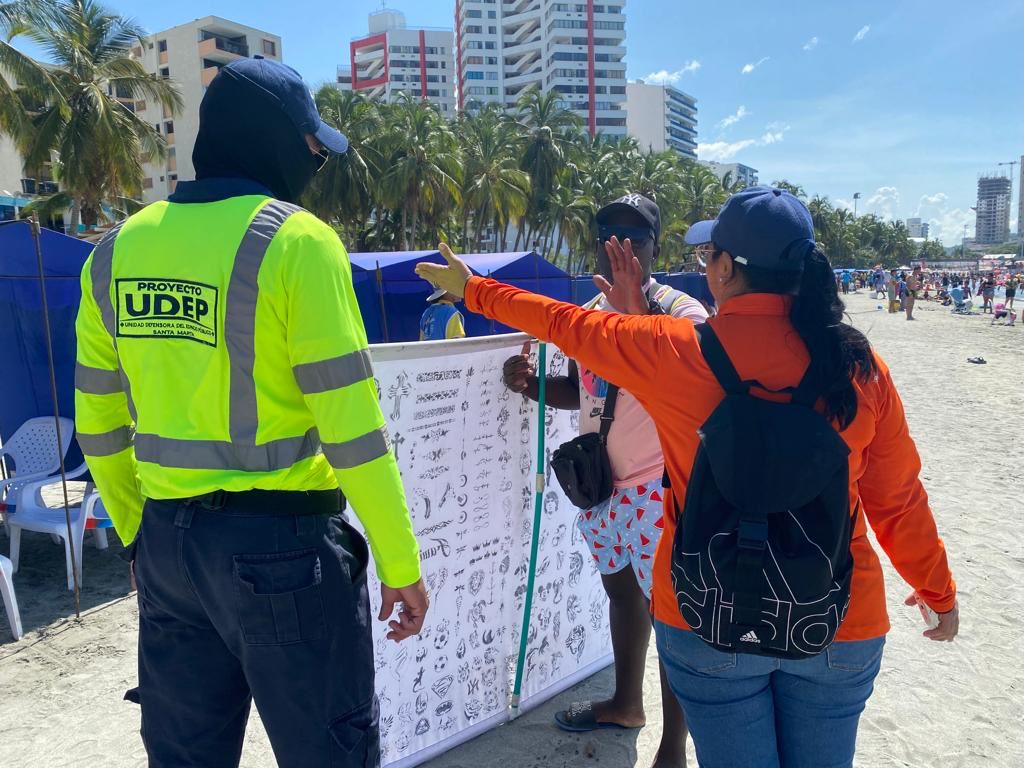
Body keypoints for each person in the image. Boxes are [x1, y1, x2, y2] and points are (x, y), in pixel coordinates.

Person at [417, 185, 959, 768]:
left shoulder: (673, 349)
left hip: (707, 616)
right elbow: (897, 500)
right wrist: (937, 592)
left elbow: (559, 322)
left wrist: (472, 288)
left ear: (724, 268)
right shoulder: (859, 365)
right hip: (837, 620)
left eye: (709, 255)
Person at [75, 58, 428, 768]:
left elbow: (99, 425)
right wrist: (400, 561)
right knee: (329, 751)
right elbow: (352, 431)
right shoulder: (298, 242)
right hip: (284, 553)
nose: (319, 160)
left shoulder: (114, 252)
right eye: (312, 146)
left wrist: (139, 534)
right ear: (275, 142)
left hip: (171, 549)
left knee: (184, 755)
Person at [503, 193, 701, 768]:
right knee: (621, 595)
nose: (622, 246)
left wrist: (636, 312)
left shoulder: (683, 313)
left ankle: (672, 746)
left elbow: (692, 377)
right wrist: (530, 386)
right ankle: (626, 703)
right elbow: (582, 390)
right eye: (610, 235)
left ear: (655, 247)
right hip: (602, 490)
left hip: (658, 490)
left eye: (635, 237)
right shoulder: (586, 314)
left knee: (671, 615)